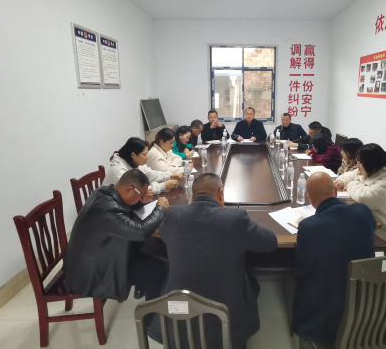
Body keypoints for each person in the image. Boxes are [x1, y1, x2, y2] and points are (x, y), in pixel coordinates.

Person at [148, 174, 278, 349]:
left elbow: (164, 234)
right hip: (226, 311)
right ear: (221, 193)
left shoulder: (174, 215)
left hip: (179, 308)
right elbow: (270, 242)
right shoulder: (235, 219)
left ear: (192, 195)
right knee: (252, 282)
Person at [294, 173, 375, 346]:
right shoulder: (363, 211)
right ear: (336, 193)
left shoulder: (308, 227)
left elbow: (303, 269)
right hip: (364, 300)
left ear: (310, 198)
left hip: (327, 313)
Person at [64, 169, 169, 302]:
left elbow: (124, 208)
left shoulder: (103, 192)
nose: (141, 198)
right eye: (140, 195)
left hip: (94, 257)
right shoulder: (107, 210)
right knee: (156, 267)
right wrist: (160, 209)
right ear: (130, 189)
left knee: (146, 248)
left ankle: (142, 287)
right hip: (90, 274)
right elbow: (140, 232)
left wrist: (141, 202)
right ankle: (152, 313)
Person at [336, 143, 386, 247]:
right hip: (375, 222)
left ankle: (358, 257)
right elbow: (351, 175)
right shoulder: (372, 170)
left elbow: (363, 197)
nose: (357, 165)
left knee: (344, 235)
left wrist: (351, 184)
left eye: (360, 161)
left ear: (370, 162)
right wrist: (342, 182)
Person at [103, 137, 181, 195]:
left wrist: (169, 176)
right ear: (133, 155)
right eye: (144, 154)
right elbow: (136, 191)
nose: (147, 157)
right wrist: (163, 186)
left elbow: (149, 174)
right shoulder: (119, 171)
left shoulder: (135, 163)